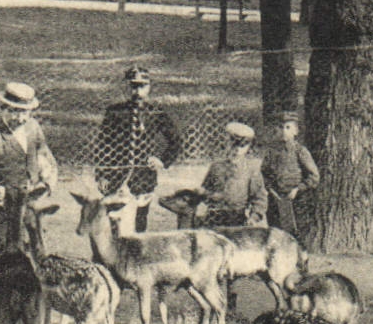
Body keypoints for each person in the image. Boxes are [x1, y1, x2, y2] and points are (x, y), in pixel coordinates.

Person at [0, 82, 58, 324]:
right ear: (3, 109)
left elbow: (45, 158)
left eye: (24, 112)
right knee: (2, 276)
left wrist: (47, 179)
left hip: (28, 218)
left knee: (29, 275)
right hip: (2, 219)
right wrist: (0, 192)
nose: (19, 117)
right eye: (13, 111)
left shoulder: (33, 130)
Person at [95, 66, 181, 233]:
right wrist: (102, 174)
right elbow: (103, 145)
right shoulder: (115, 113)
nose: (137, 91)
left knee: (140, 220)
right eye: (134, 86)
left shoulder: (156, 113)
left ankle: (137, 255)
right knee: (115, 218)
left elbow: (175, 140)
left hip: (143, 177)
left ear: (149, 87)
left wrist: (162, 160)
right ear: (128, 87)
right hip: (117, 175)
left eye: (142, 86)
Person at [261, 111, 320, 239]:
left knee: (296, 232)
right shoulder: (271, 152)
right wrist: (270, 189)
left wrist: (298, 189)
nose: (283, 131)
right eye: (280, 127)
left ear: (296, 131)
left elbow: (314, 176)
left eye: (288, 127)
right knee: (276, 231)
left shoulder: (300, 151)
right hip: (276, 198)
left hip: (296, 199)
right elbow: (264, 174)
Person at [198, 122, 268, 228]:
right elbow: (204, 191)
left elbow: (259, 198)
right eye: (233, 143)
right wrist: (206, 199)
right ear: (226, 142)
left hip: (237, 220)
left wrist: (254, 217)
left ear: (248, 147)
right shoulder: (216, 166)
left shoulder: (251, 170)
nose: (236, 149)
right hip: (213, 219)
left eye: (242, 145)